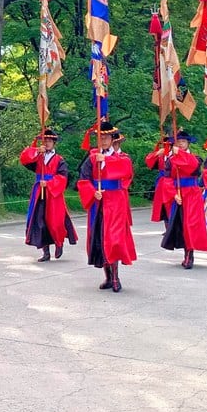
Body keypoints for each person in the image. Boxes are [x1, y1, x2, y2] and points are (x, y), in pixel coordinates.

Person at [76, 119, 137, 292]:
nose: (103, 141)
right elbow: (83, 179)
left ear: (112, 139)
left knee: (114, 239)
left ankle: (116, 277)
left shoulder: (121, 157)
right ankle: (108, 277)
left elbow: (127, 170)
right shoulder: (91, 158)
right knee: (101, 239)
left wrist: (107, 161)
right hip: (98, 201)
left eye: (106, 137)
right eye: (100, 138)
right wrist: (91, 191)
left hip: (115, 202)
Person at [146, 130, 207, 268]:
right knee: (180, 225)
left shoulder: (196, 158)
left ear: (188, 144)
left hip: (192, 195)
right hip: (178, 195)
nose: (181, 145)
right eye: (178, 142)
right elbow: (168, 180)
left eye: (183, 142)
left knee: (190, 225)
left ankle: (190, 254)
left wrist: (179, 154)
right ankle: (185, 252)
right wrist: (174, 194)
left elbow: (191, 166)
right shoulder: (170, 161)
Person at [19, 128, 78, 261]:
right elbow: (24, 160)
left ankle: (59, 242)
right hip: (39, 192)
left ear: (54, 143)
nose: (47, 143)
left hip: (53, 194)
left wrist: (50, 183)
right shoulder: (38, 156)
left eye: (50, 141)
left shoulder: (59, 160)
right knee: (40, 221)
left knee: (56, 221)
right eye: (45, 141)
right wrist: (36, 151)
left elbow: (63, 177)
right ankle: (46, 252)